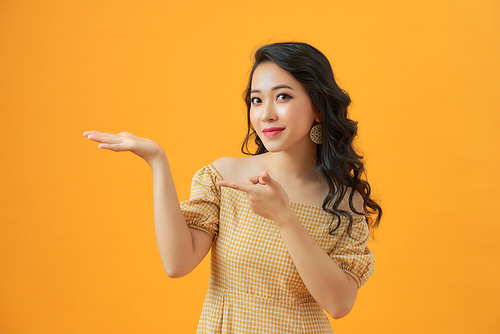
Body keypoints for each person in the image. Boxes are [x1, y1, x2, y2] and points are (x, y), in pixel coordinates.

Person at [84, 42, 382, 333]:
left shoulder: (343, 200)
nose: (266, 114)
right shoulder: (226, 177)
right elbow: (177, 263)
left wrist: (284, 217)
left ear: (318, 108)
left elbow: (339, 303)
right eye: (256, 100)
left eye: (283, 97)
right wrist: (157, 161)